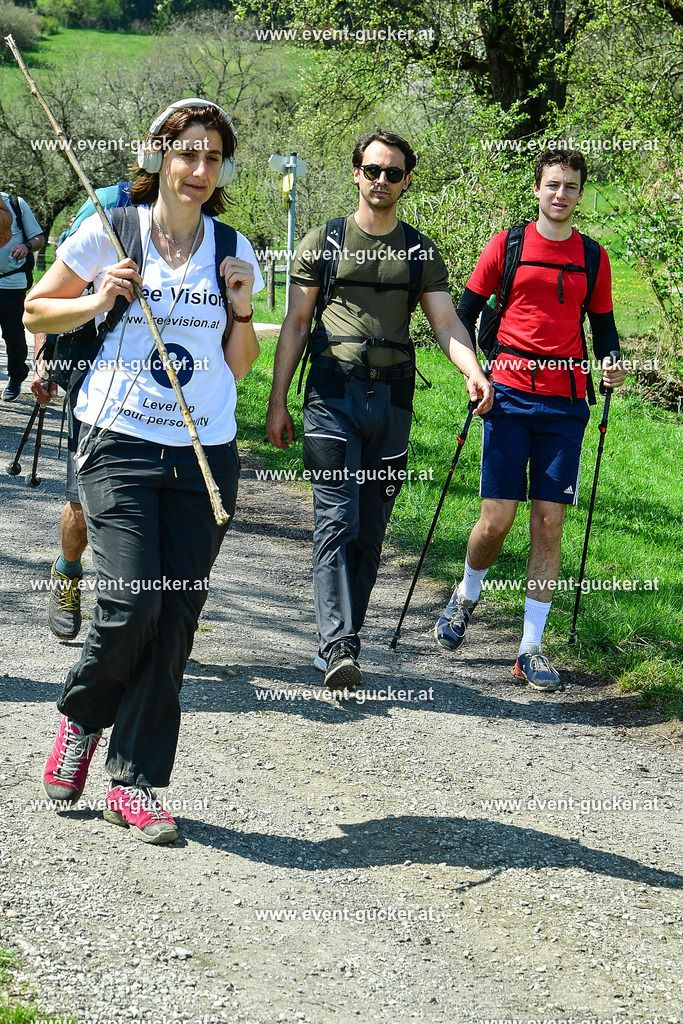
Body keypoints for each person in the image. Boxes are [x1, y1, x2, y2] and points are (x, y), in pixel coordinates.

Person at [24, 98, 263, 844]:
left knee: (177, 620)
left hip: (205, 452)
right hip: (117, 441)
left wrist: (244, 308)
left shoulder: (234, 248)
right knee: (131, 605)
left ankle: (135, 781)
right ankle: (80, 715)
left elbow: (239, 366)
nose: (198, 169)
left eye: (212, 157)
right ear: (159, 155)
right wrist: (99, 297)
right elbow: (36, 311)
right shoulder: (111, 229)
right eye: (186, 153)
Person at [266, 128, 493, 692]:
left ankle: (345, 641)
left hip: (392, 399)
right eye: (373, 170)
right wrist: (277, 401)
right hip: (331, 394)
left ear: (406, 180)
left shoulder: (420, 250)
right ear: (356, 173)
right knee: (336, 520)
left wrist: (473, 370)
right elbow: (296, 324)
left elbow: (446, 323)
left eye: (393, 173)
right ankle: (337, 644)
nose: (382, 181)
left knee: (369, 531)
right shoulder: (324, 240)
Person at [434, 148, 627, 692]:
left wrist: (611, 364)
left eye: (570, 186)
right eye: (552, 185)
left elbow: (605, 331)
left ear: (580, 194)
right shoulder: (508, 244)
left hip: (567, 403)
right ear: (537, 189)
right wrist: (476, 373)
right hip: (508, 397)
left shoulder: (594, 257)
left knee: (549, 521)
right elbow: (461, 315)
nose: (560, 194)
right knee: (496, 520)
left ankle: (529, 648)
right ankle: (465, 597)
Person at [31, 186, 133, 641]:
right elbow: (49, 298)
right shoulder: (108, 206)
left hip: (171, 391)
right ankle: (68, 571)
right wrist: (44, 359)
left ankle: (146, 621)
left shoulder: (206, 223)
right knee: (81, 501)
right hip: (96, 376)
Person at [0, 187, 44, 401]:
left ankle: (17, 376)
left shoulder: (16, 204)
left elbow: (38, 238)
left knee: (13, 334)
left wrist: (26, 246)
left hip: (12, 283)